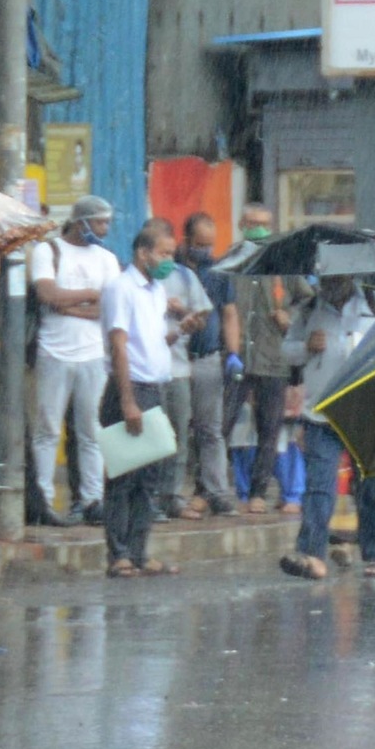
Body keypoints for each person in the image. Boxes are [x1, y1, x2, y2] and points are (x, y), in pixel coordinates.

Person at [278, 273, 375, 579]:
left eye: (337, 275)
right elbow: (286, 350)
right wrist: (306, 346)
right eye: (326, 275)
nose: (331, 281)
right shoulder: (309, 308)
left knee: (372, 485)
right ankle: (312, 554)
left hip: (365, 411)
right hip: (320, 412)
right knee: (319, 486)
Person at [29, 194, 120, 527]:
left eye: (107, 222)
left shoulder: (107, 259)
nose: (104, 229)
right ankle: (43, 501)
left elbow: (109, 308)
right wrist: (91, 295)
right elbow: (47, 295)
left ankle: (92, 499)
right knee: (48, 429)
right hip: (54, 352)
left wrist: (69, 306)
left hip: (93, 354)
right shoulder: (47, 251)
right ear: (81, 222)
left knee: (91, 432)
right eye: (99, 222)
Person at [99, 224, 181, 579]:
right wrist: (127, 400)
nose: (168, 261)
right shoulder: (121, 288)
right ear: (143, 252)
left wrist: (180, 332)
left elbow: (152, 340)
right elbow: (119, 344)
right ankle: (118, 554)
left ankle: (138, 550)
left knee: (150, 479)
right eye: (164, 254)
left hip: (155, 387)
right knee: (123, 478)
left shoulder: (156, 291)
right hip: (129, 389)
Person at [228, 264, 313, 515]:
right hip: (237, 359)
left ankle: (258, 493)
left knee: (270, 431)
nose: (257, 227)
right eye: (252, 221)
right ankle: (210, 491)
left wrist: (290, 316)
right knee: (221, 426)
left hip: (274, 361)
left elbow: (308, 299)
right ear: (243, 222)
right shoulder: (235, 267)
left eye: (262, 223)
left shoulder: (285, 271)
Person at [145, 217, 212, 521]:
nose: (167, 259)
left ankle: (172, 495)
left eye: (171, 252)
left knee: (178, 435)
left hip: (178, 367)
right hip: (144, 370)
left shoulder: (184, 277)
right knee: (149, 436)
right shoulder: (133, 280)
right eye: (162, 252)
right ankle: (148, 497)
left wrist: (184, 314)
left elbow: (203, 316)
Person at [178, 212, 242, 518]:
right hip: (174, 359)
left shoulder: (218, 272)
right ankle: (172, 493)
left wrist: (232, 352)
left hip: (207, 360)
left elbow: (229, 314)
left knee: (210, 430)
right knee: (174, 430)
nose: (206, 250)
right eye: (200, 244)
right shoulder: (171, 269)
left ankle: (217, 491)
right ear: (187, 240)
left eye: (210, 244)